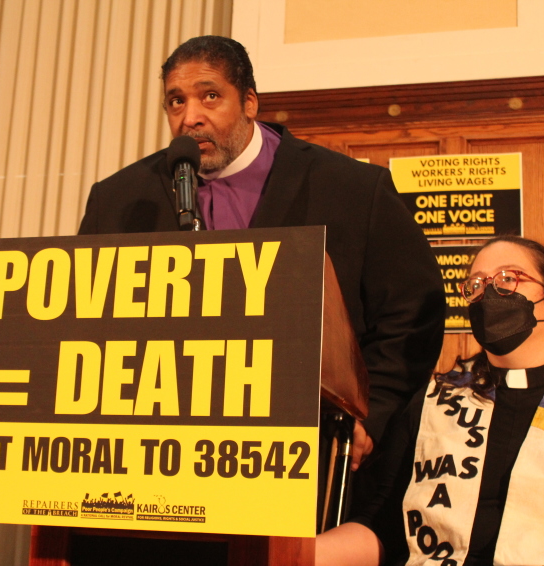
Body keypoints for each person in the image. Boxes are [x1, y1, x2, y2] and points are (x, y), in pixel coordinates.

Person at [78, 35, 445, 470]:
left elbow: (413, 314)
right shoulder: (118, 200)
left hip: (305, 453)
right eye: (176, 102)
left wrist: (373, 413)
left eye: (209, 96)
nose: (190, 117)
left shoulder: (353, 190)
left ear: (250, 102)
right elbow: (84, 322)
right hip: (155, 459)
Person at [316, 235, 544, 566]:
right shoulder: (430, 403)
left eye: (507, 278)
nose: (488, 292)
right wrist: (298, 552)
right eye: (475, 284)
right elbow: (384, 524)